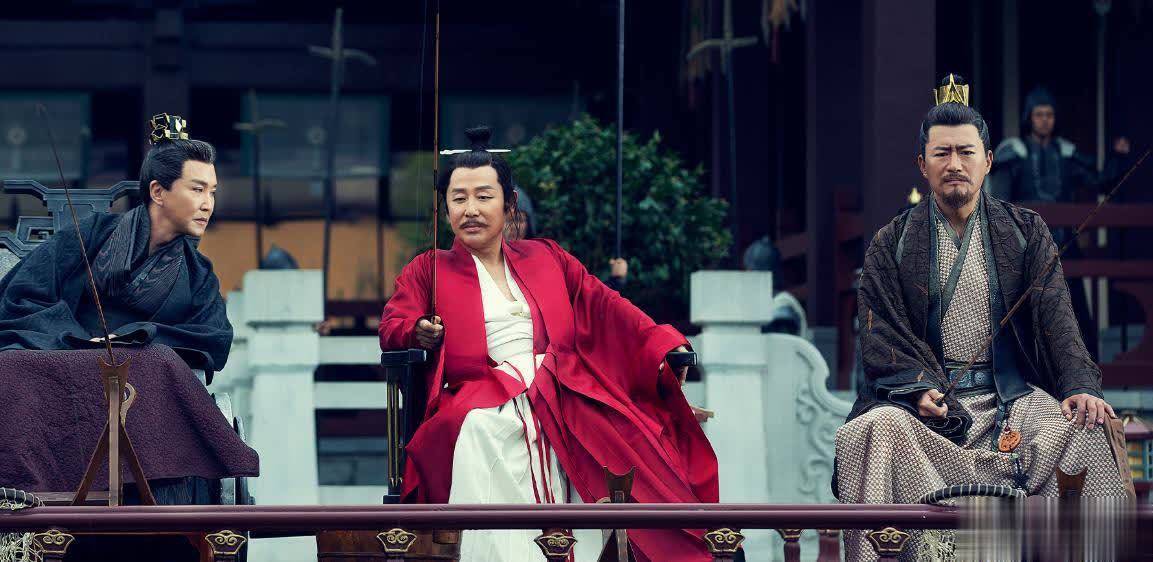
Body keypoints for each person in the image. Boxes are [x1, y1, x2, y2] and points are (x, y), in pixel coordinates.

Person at [379, 126, 718, 561]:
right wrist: (417, 329)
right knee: (480, 428)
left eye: (484, 196)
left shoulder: (546, 256)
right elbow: (392, 323)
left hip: (562, 386)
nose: (471, 210)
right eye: (458, 199)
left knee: (627, 434)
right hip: (482, 391)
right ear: (446, 210)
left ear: (508, 204)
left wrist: (661, 344)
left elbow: (605, 304)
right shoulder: (429, 268)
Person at [834, 76, 1133, 559]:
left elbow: (1058, 319)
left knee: (1087, 427)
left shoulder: (1024, 231)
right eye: (942, 153)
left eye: (966, 152)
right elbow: (879, 333)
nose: (954, 164)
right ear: (922, 164)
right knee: (871, 430)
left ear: (988, 161)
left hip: (1012, 400)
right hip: (930, 410)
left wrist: (1080, 385)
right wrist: (915, 388)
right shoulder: (892, 243)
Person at [0, 113, 232, 375]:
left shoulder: (199, 273)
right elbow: (25, 295)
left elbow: (214, 338)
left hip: (140, 374)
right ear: (158, 192)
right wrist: (78, 342)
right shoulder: (94, 233)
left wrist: (138, 336)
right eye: (198, 190)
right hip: (64, 355)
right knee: (12, 366)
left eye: (212, 192)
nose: (208, 204)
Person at [989, 86, 1133, 359]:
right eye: (1039, 114)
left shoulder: (1066, 154)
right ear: (1029, 117)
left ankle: (1087, 367)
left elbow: (1100, 182)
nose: (1045, 120)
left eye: (1050, 115)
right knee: (1023, 311)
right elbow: (1000, 202)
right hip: (1027, 247)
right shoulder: (1014, 154)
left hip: (1064, 245)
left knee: (1074, 309)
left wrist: (1118, 157)